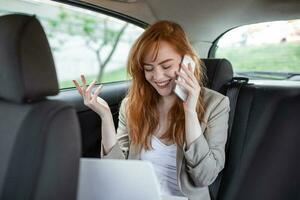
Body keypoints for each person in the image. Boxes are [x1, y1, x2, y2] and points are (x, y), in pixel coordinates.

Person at [73, 20, 230, 200]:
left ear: (187, 62)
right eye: (148, 68)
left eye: (166, 66)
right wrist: (106, 116)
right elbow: (117, 170)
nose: (157, 76)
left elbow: (205, 176)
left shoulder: (216, 105)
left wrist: (190, 112)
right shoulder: (131, 105)